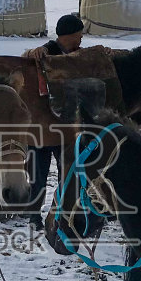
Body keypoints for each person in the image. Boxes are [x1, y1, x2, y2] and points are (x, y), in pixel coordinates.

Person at [23, 13, 87, 220]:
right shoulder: (44, 53)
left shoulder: (80, 56)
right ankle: (33, 215)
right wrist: (32, 51)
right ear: (68, 35)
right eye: (78, 34)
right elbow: (24, 60)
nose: (81, 38)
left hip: (65, 129)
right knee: (37, 176)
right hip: (40, 129)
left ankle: (63, 213)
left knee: (67, 174)